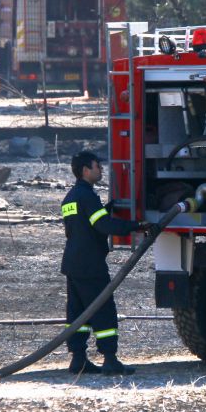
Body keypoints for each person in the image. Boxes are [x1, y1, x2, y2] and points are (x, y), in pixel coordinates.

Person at [60, 151, 149, 375]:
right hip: (90, 264)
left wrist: (107, 210)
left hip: (73, 262)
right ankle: (110, 359)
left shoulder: (71, 196)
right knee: (103, 310)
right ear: (85, 171)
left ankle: (78, 359)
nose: (101, 169)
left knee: (78, 312)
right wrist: (137, 225)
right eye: (97, 166)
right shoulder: (87, 196)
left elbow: (82, 225)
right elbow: (103, 226)